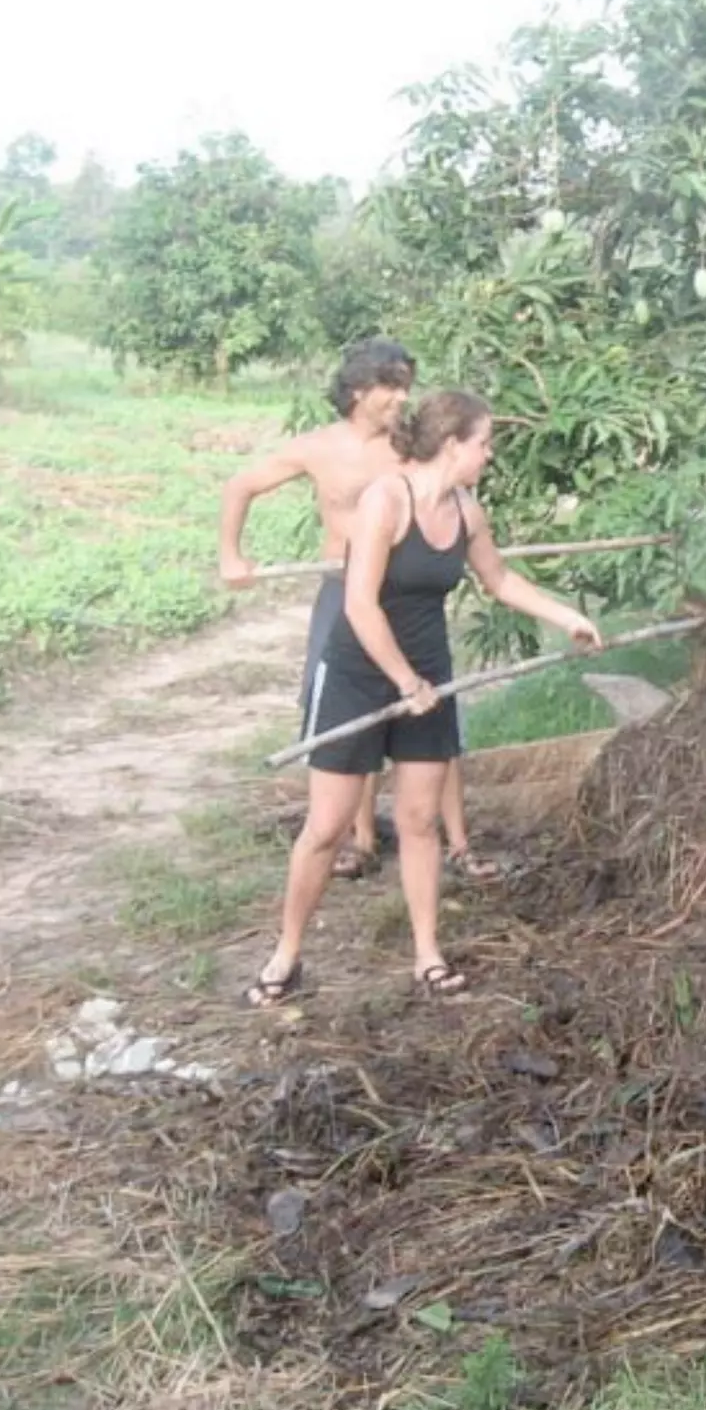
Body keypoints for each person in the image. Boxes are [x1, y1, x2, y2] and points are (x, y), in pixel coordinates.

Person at [247, 389, 602, 1006]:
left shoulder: (465, 510)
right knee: (328, 826)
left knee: (419, 819)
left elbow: (500, 579)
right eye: (483, 443)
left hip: (429, 675)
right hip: (360, 670)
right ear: (452, 444)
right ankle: (287, 953)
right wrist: (401, 680)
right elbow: (358, 603)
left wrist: (565, 616)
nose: (488, 455)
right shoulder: (385, 499)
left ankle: (427, 954)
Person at [217, 338, 481, 882]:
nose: (402, 398)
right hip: (344, 592)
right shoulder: (317, 447)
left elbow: (446, 495)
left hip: (404, 597)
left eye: (407, 386)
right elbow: (240, 486)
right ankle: (359, 839)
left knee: (429, 706)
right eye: (391, 386)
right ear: (359, 390)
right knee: (347, 719)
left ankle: (458, 842)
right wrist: (231, 556)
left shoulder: (407, 447)